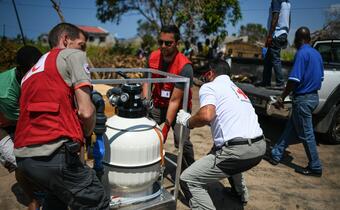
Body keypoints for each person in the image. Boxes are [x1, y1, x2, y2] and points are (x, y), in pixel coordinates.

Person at [14, 22, 110, 209]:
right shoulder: (72, 55)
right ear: (65, 40)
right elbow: (86, 111)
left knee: (57, 199)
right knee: (96, 200)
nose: (83, 51)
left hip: (25, 160)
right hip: (53, 154)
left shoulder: (31, 72)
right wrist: (87, 132)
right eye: (81, 45)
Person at [177, 59, 266, 210]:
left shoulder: (210, 86)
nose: (204, 78)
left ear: (211, 73)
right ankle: (240, 194)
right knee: (223, 154)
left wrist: (188, 121)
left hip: (238, 151)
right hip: (259, 147)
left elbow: (206, 115)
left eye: (205, 75)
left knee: (188, 179)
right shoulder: (237, 90)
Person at [142, 25, 195, 198]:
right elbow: (147, 81)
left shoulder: (184, 66)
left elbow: (175, 100)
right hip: (158, 103)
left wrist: (165, 128)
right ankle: (147, 170)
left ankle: (190, 177)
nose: (163, 46)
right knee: (146, 133)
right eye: (161, 42)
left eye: (168, 43)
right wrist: (145, 104)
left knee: (181, 140)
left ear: (177, 43)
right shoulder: (153, 56)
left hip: (178, 107)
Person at [266, 27, 324, 177]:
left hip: (303, 99)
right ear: (309, 39)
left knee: (307, 134)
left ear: (298, 40)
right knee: (291, 127)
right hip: (313, 97)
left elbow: (294, 79)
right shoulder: (317, 54)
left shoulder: (302, 53)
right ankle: (276, 154)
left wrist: (283, 96)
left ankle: (315, 166)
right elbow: (321, 78)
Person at [0, 46, 43, 210]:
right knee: (21, 163)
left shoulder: (37, 76)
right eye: (30, 72)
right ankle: (33, 200)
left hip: (17, 121)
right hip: (4, 126)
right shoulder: (5, 91)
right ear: (19, 70)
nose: (36, 76)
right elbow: (23, 120)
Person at [257, 0, 291, 87]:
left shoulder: (276, 1)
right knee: (268, 59)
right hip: (283, 33)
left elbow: (275, 17)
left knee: (275, 59)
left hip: (276, 34)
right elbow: (289, 21)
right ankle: (266, 81)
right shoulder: (287, 4)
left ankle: (280, 83)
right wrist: (286, 34)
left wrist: (270, 35)